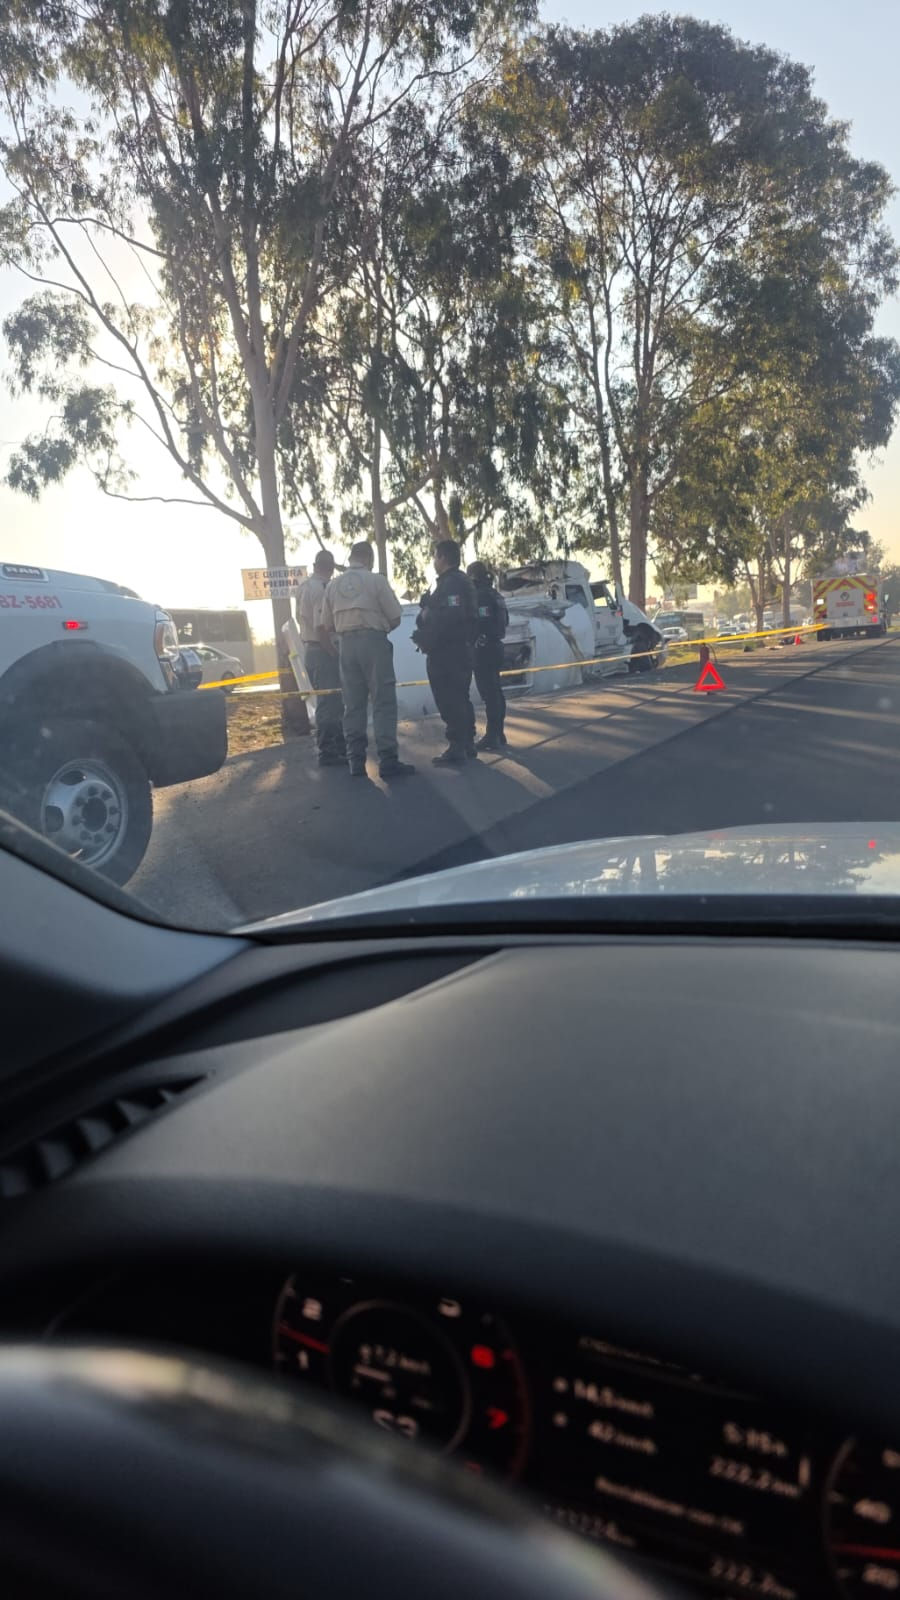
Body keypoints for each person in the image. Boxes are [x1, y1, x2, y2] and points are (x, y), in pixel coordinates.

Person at [319, 541, 414, 779]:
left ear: (351, 557)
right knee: (382, 701)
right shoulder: (376, 581)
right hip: (373, 643)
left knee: (353, 704)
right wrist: (378, 629)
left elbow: (326, 624)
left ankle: (356, 761)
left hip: (346, 645)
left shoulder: (333, 585)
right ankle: (388, 760)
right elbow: (395, 617)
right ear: (369, 558)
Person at [413, 540, 477, 767]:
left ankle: (458, 745)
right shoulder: (461, 581)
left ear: (442, 558)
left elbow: (448, 618)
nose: (433, 561)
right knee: (460, 697)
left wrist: (427, 629)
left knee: (449, 698)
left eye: (435, 556)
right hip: (460, 649)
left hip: (447, 652)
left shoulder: (451, 584)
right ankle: (467, 743)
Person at [295, 551, 346, 767]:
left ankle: (336, 745)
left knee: (328, 701)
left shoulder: (304, 587)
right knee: (330, 703)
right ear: (331, 568)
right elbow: (321, 626)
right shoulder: (320, 589)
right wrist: (333, 652)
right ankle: (328, 749)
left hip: (311, 648)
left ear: (315, 565)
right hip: (323, 649)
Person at [467, 560, 508, 751]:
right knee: (496, 692)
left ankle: (493, 735)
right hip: (496, 645)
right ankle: (499, 733)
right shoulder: (495, 594)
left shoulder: (481, 595)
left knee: (489, 694)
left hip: (485, 648)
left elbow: (481, 622)